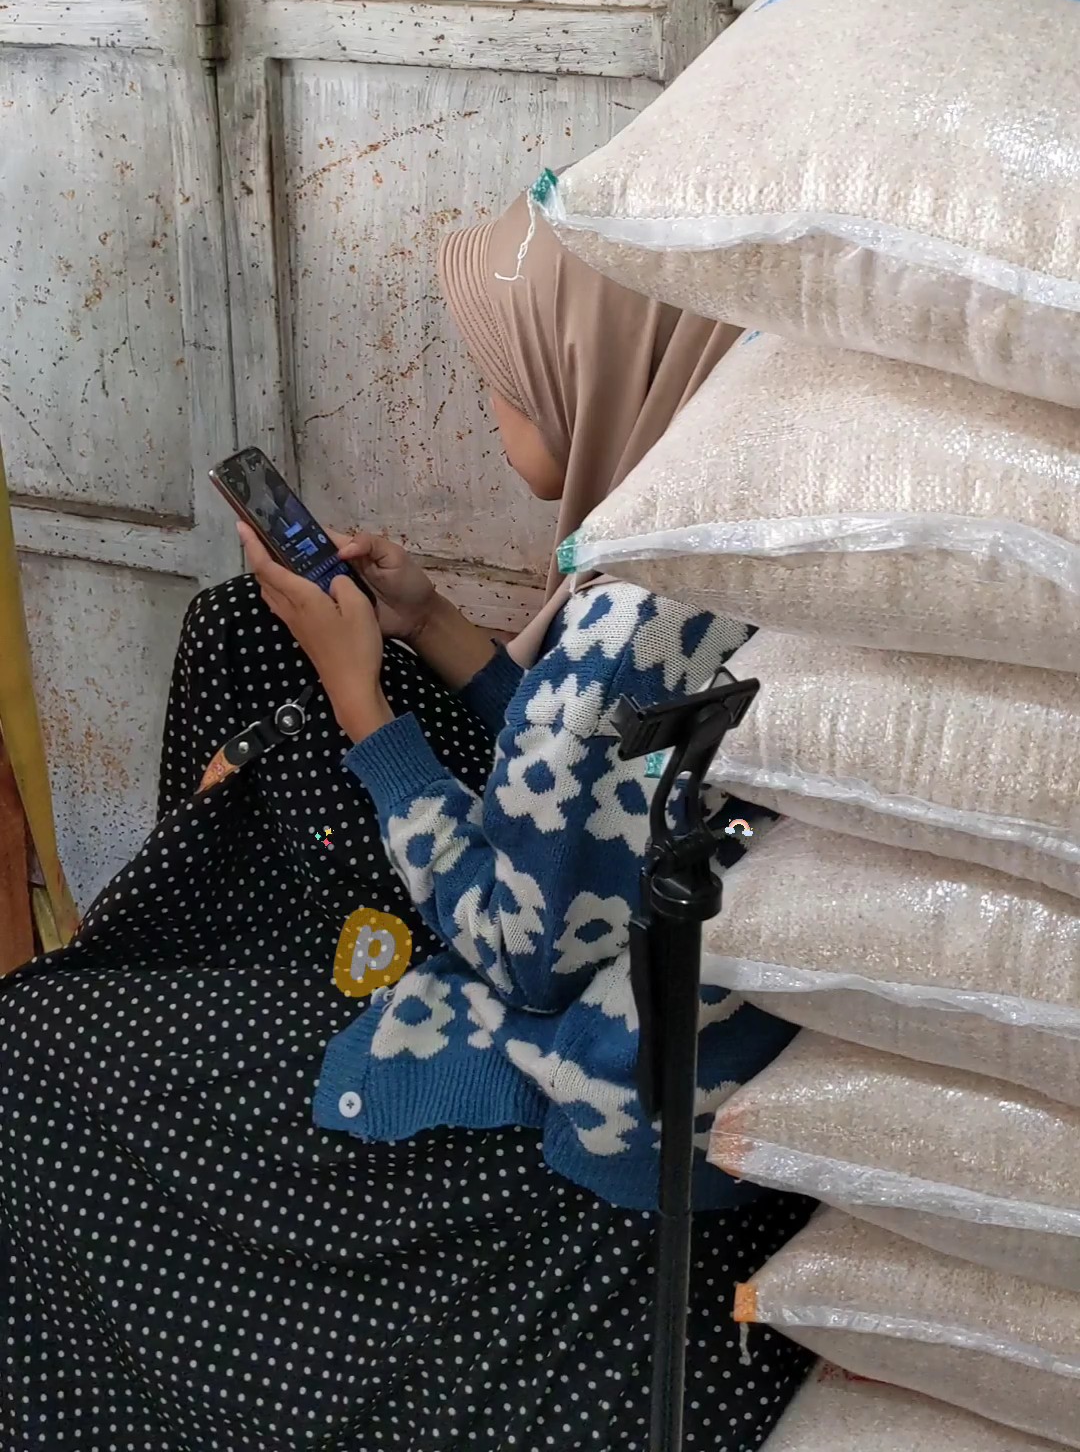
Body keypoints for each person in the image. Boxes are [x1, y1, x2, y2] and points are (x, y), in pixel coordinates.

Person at [0, 195, 812, 1452]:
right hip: (595, 934)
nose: (490, 408)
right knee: (241, 628)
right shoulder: (715, 545)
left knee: (31, 1041)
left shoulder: (632, 621)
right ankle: (227, 949)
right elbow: (594, 791)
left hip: (547, 1075)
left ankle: (218, 998)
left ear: (598, 380)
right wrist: (429, 621)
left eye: (506, 385)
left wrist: (361, 698)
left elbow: (517, 942)